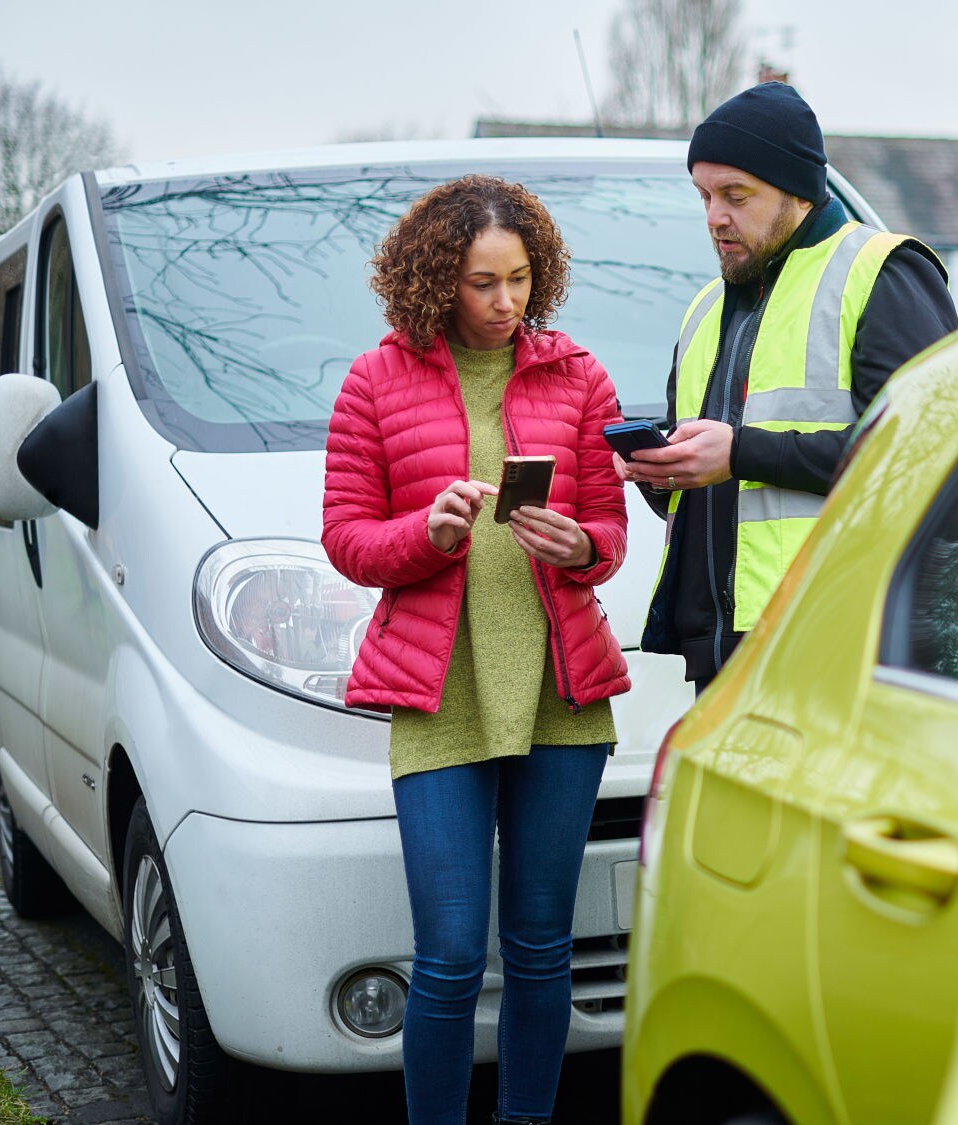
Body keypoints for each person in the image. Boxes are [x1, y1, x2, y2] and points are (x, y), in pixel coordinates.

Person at [321, 175, 630, 1125]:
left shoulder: (578, 376)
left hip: (561, 694)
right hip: (440, 696)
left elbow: (610, 532)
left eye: (522, 280)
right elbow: (345, 538)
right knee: (451, 952)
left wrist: (580, 547)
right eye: (483, 283)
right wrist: (429, 534)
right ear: (434, 283)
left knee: (540, 947)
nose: (508, 303)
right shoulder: (375, 382)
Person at [615, 82, 958, 690]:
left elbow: (930, 453)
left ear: (797, 192)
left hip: (845, 642)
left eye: (735, 195)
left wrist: (740, 452)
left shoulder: (882, 271)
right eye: (703, 195)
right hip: (725, 654)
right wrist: (663, 471)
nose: (714, 216)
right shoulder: (703, 309)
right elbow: (710, 497)